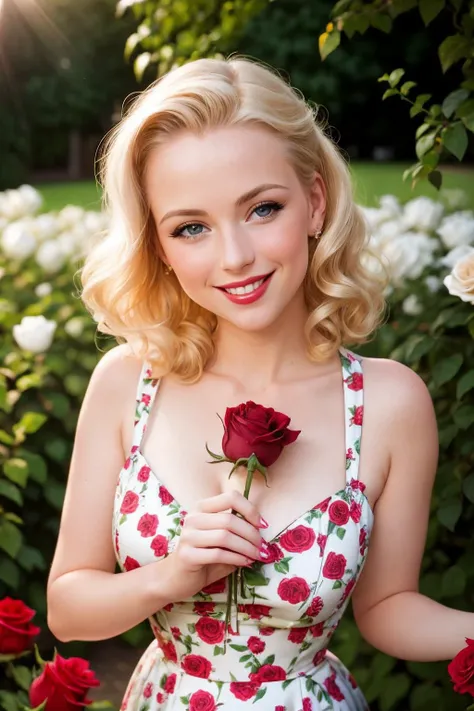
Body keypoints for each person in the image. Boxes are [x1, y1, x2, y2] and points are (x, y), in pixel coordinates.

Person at [46, 57, 474, 711]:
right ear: (160, 245)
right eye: (191, 226)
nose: (235, 257)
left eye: (262, 208)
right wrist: (171, 574)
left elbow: (388, 607)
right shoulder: (127, 383)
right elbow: (69, 608)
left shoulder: (389, 402)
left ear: (315, 201)